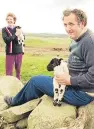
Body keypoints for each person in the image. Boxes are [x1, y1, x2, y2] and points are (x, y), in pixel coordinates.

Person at [4, 9, 94, 107]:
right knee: (43, 80)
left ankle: (14, 102)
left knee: (35, 81)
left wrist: (70, 80)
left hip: (81, 94)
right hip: (74, 85)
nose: (68, 28)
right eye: (65, 24)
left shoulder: (89, 42)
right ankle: (30, 99)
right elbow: (80, 60)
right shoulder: (78, 37)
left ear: (82, 23)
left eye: (71, 24)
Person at [2, 13, 25, 80]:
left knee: (18, 70)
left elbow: (23, 38)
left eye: (11, 19)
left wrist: (20, 35)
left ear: (14, 20)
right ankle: (8, 85)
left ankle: (18, 85)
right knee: (9, 71)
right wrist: (15, 35)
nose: (9, 20)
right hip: (9, 53)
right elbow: (7, 40)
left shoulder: (18, 28)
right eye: (8, 19)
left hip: (19, 52)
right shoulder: (4, 29)